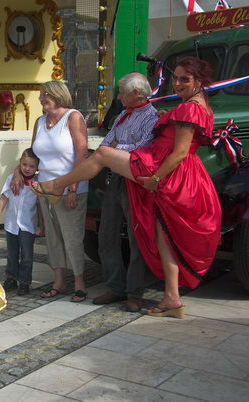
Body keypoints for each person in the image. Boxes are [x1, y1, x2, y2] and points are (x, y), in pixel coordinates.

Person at [33, 57, 222, 318]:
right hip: (152, 171)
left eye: (184, 79)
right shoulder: (190, 106)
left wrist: (155, 178)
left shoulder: (186, 109)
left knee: (102, 157)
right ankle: (171, 297)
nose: (176, 83)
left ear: (199, 81)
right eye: (175, 78)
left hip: (158, 170)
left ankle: (57, 185)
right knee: (160, 237)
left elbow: (177, 153)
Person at [13, 80, 89, 303]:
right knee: (53, 237)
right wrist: (19, 171)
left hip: (69, 188)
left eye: (44, 94)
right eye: (40, 95)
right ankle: (58, 280)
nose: (41, 99)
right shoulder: (40, 121)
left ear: (57, 94)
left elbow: (81, 153)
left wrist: (73, 188)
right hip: (44, 188)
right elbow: (32, 154)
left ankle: (79, 283)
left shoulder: (73, 117)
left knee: (72, 237)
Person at [92, 73, 158, 313]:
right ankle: (115, 286)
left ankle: (134, 292)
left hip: (136, 181)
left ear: (136, 93)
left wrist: (116, 148)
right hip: (116, 178)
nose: (118, 97)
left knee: (135, 237)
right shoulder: (122, 115)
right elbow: (105, 145)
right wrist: (116, 149)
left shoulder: (152, 117)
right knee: (106, 233)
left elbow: (144, 148)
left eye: (121, 92)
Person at [0, 148, 41, 296]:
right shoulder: (11, 179)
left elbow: (40, 206)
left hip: (28, 225)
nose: (27, 168)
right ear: (19, 163)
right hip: (11, 224)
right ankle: (11, 279)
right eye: (24, 164)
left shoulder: (38, 183)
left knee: (27, 256)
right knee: (12, 253)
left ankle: (25, 282)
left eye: (32, 166)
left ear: (37, 168)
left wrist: (42, 225)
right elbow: (4, 197)